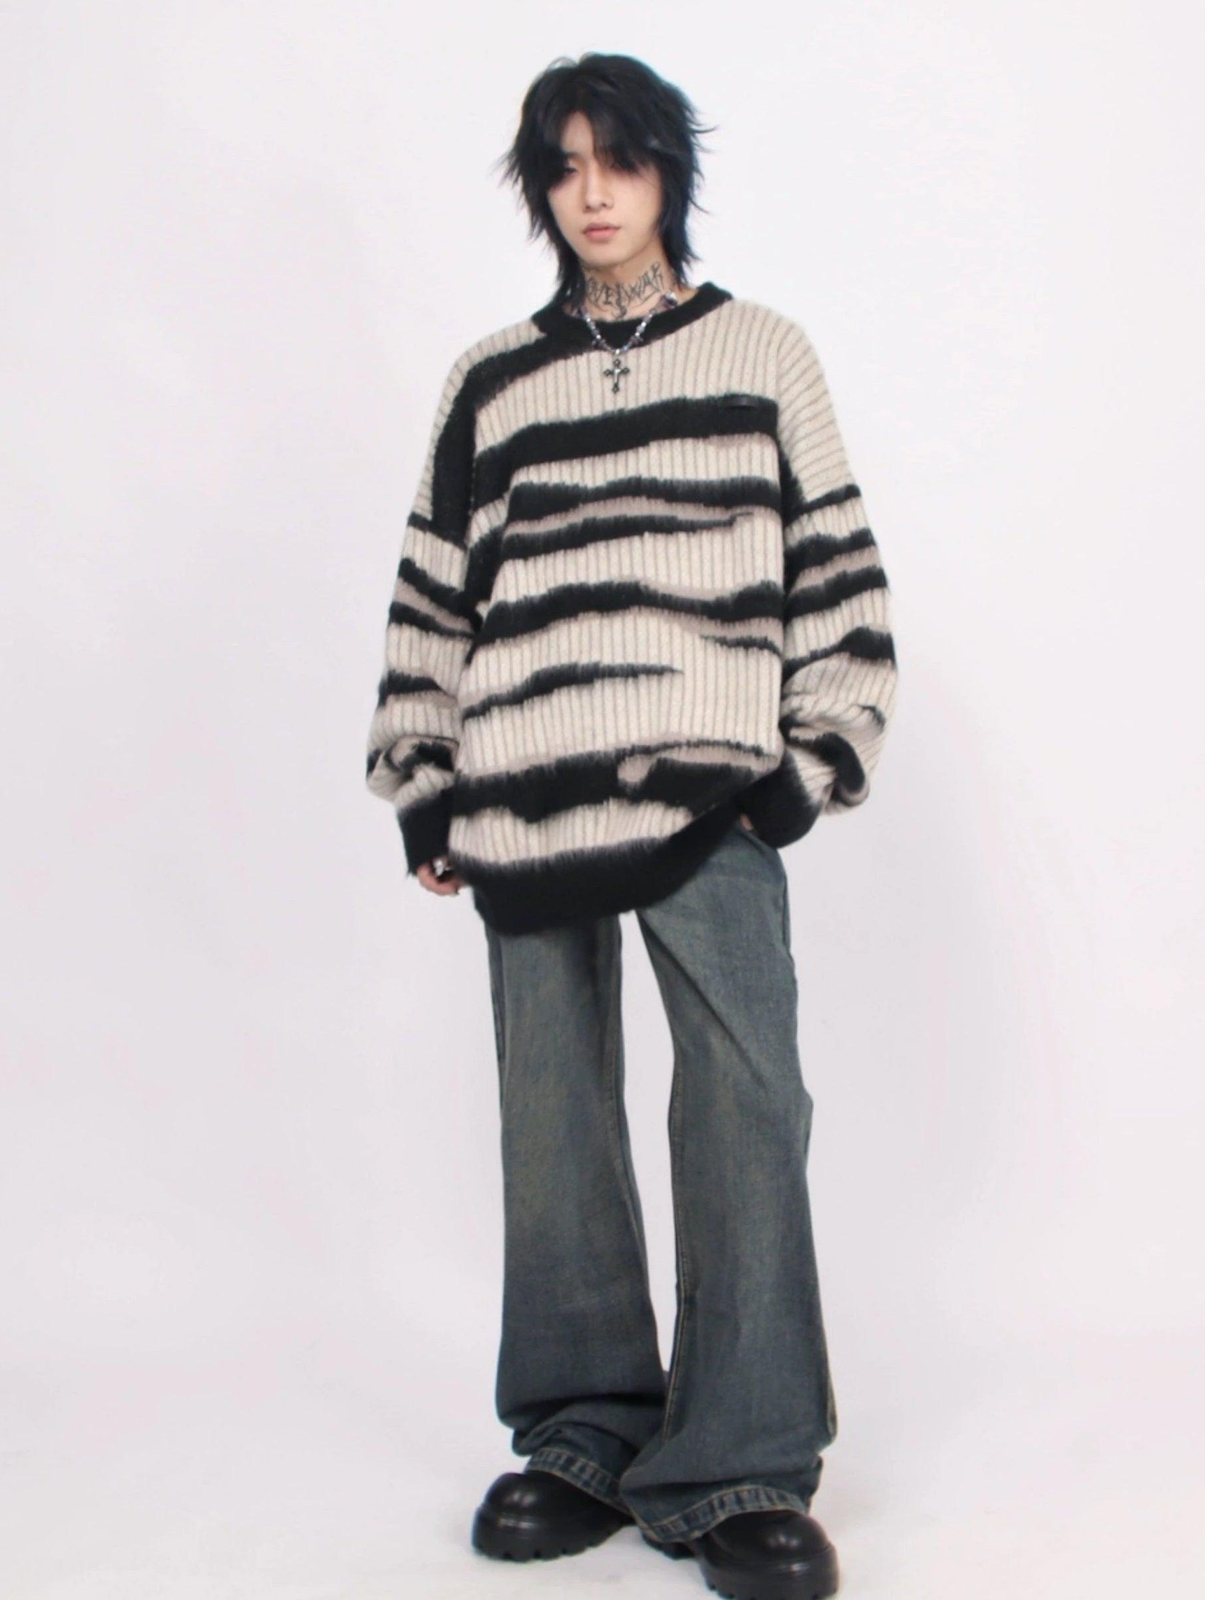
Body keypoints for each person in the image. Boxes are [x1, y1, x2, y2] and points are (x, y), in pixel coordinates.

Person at [364, 51, 897, 1600]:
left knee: (746, 1107)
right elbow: (435, 588)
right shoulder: (491, 381)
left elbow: (840, 573)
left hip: (709, 784)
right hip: (525, 789)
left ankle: (742, 1460)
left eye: (623, 161)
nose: (593, 195)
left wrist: (804, 765)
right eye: (566, 166)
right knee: (554, 1123)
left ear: (672, 173)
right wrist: (425, 774)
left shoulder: (762, 351)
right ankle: (583, 1429)